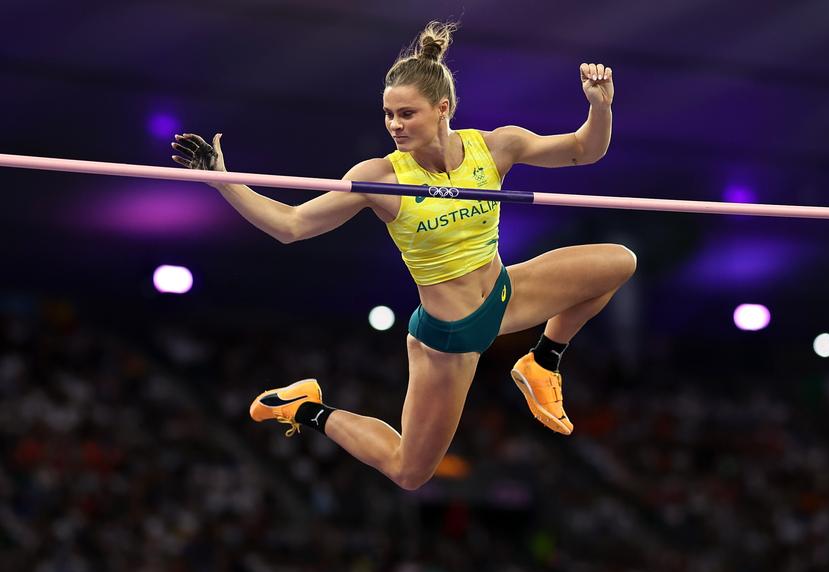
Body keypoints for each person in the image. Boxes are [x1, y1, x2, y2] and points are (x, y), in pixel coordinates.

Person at [171, 21, 635, 491]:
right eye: (389, 114)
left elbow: (583, 150)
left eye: (407, 114)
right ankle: (303, 407)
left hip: (504, 295)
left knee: (620, 263)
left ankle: (543, 361)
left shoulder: (495, 147)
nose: (394, 125)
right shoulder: (383, 180)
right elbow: (290, 226)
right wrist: (220, 179)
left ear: (442, 109)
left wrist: (601, 108)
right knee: (409, 470)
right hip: (450, 338)